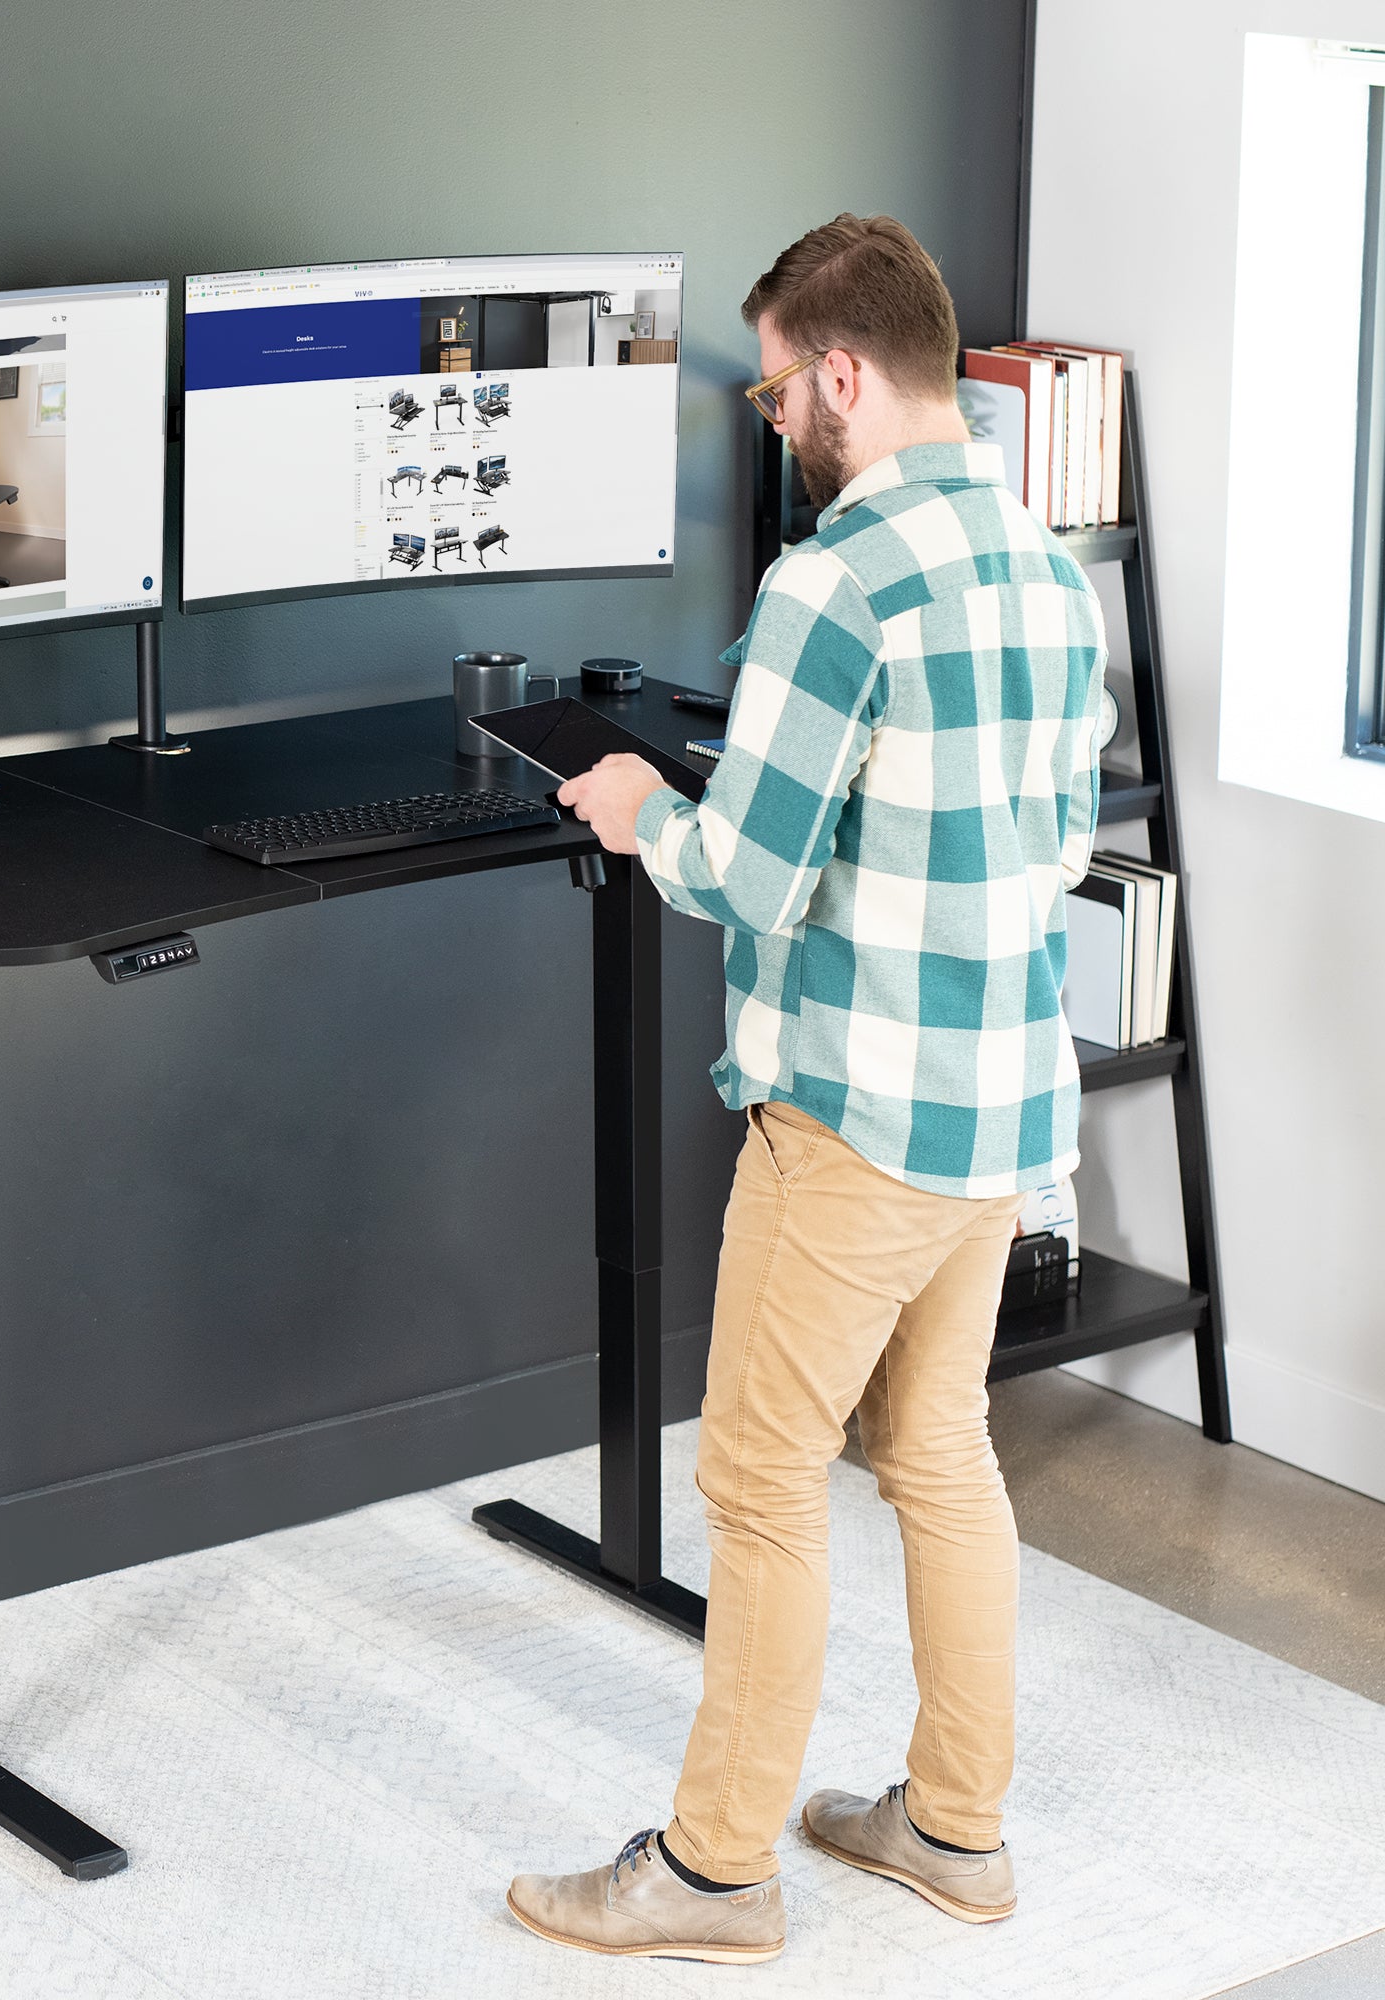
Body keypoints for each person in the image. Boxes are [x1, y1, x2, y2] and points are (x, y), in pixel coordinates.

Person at [504, 214, 1106, 1967]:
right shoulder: (1040, 561)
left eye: (775, 392)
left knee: (763, 1478)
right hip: (998, 1106)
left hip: (852, 1120)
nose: (772, 422)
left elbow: (750, 874)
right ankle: (956, 1829)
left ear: (844, 372)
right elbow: (1049, 841)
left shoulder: (835, 583)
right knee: (940, 1448)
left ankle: (709, 1872)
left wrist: (635, 811)